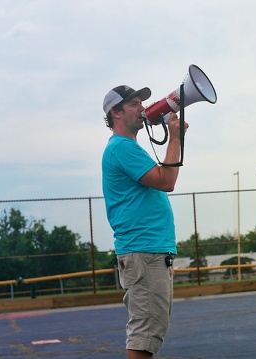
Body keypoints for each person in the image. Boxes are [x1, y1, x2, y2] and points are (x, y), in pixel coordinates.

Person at [102, 85, 188, 358]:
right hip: (144, 251)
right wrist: (174, 137)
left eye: (142, 103)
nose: (142, 108)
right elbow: (166, 181)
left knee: (150, 330)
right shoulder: (122, 147)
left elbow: (163, 176)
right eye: (134, 104)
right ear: (115, 112)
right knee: (145, 333)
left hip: (147, 250)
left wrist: (175, 137)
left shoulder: (127, 148)